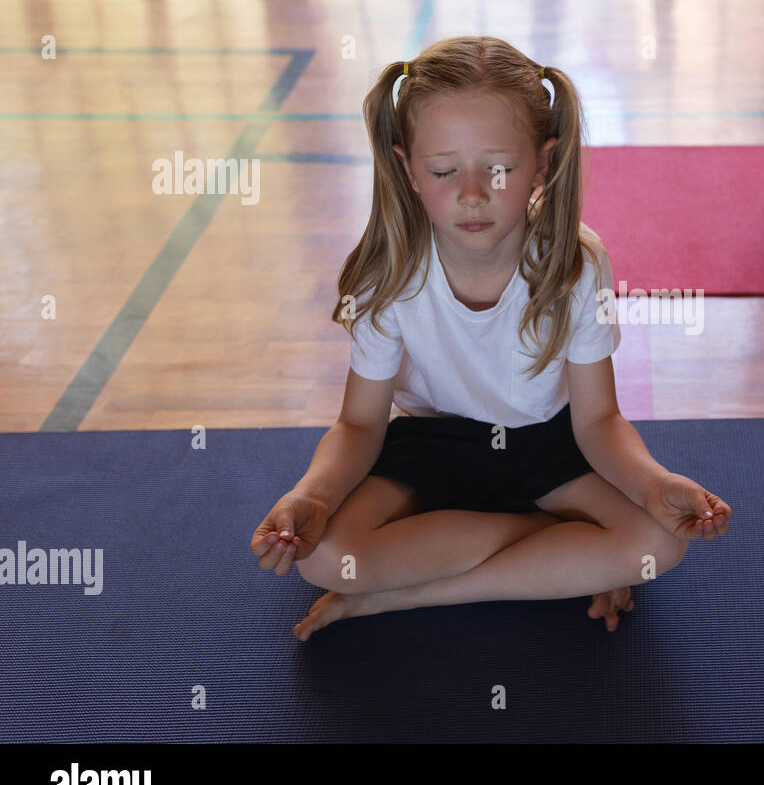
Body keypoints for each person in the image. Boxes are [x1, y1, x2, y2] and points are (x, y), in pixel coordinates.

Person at [250, 36, 732, 640]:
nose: (472, 193)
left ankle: (410, 598)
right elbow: (360, 425)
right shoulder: (388, 273)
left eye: (498, 168)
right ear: (408, 170)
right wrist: (312, 497)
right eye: (445, 170)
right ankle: (561, 553)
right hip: (434, 445)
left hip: (546, 448)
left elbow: (599, 421)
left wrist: (654, 484)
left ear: (543, 163)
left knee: (658, 544)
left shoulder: (576, 263)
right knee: (325, 557)